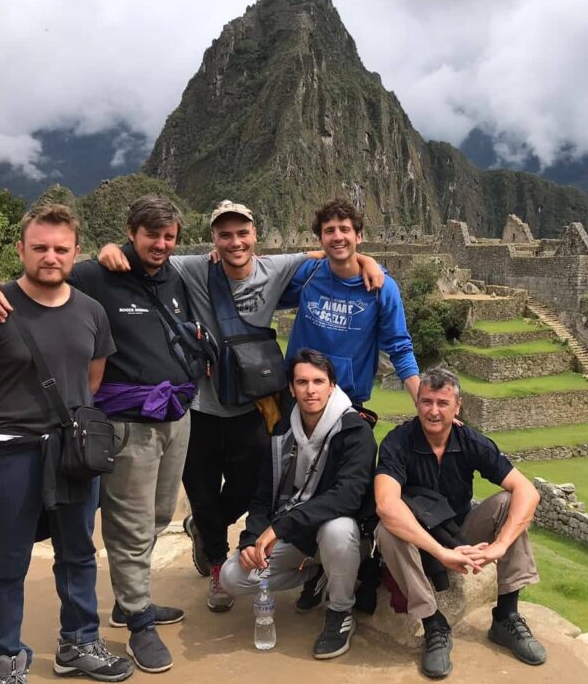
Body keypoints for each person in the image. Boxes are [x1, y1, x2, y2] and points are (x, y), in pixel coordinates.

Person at [96, 200, 383, 614]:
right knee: (203, 492)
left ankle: (205, 530)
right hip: (199, 407)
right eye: (225, 235)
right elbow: (148, 258)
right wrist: (113, 249)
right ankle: (216, 563)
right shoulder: (193, 268)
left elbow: (332, 250)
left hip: (253, 406)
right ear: (213, 238)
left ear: (254, 236)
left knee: (251, 489)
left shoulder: (276, 267)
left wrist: (371, 261)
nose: (235, 242)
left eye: (242, 233)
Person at [0, 195, 205, 673]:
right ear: (129, 234)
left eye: (168, 237)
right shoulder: (95, 273)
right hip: (120, 425)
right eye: (150, 235)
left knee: (150, 519)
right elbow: (33, 286)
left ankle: (114, 611)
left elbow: (92, 375)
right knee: (120, 528)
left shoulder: (176, 276)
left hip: (170, 418)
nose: (160, 244)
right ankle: (136, 624)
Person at [0, 203, 133, 684]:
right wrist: (2, 436)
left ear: (75, 252)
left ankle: (78, 643)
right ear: (21, 249)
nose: (51, 257)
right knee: (8, 562)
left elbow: (89, 382)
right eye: (40, 247)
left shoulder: (91, 312)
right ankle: (7, 660)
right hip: (11, 453)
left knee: (78, 552)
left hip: (71, 452)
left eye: (61, 249)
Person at [374, 367, 546, 679]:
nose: (434, 411)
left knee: (509, 504)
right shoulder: (397, 443)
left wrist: (500, 545)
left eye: (443, 403)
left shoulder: (470, 441)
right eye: (427, 402)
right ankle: (433, 623)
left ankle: (506, 616)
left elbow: (527, 492)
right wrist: (441, 553)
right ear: (417, 404)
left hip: (458, 531)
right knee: (387, 528)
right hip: (419, 542)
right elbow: (386, 505)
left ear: (458, 407)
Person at [219, 349, 376, 658]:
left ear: (332, 386)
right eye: (302, 382)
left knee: (337, 530)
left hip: (340, 533)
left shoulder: (355, 431)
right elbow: (263, 496)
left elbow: (347, 497)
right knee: (231, 577)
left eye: (318, 381)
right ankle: (316, 574)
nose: (310, 390)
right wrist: (251, 540)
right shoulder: (282, 432)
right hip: (297, 535)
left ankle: (340, 611)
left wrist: (279, 527)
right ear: (291, 388)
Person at [281, 198, 420, 408]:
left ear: (359, 236)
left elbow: (399, 347)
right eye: (329, 231)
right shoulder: (308, 275)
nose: (337, 237)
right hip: (297, 397)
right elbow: (261, 278)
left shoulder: (380, 288)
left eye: (344, 229)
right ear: (320, 239)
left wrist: (424, 403)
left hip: (347, 401)